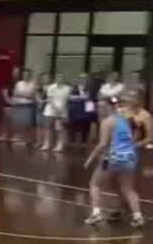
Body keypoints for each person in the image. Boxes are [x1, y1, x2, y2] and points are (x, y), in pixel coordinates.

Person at [84, 89, 150, 227]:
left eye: (102, 107)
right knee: (127, 188)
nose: (99, 109)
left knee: (95, 184)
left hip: (112, 157)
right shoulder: (127, 120)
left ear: (110, 107)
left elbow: (102, 144)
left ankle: (96, 213)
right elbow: (133, 135)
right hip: (129, 157)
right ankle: (138, 216)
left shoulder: (107, 122)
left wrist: (90, 158)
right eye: (98, 107)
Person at [4, 68, 38, 145]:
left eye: (27, 75)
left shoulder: (33, 84)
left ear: (30, 75)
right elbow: (15, 94)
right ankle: (19, 138)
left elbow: (31, 94)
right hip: (19, 106)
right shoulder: (19, 83)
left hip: (28, 106)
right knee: (19, 123)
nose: (25, 76)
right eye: (24, 75)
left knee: (27, 124)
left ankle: (27, 139)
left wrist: (23, 94)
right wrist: (24, 94)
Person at [40, 72, 69, 152]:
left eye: (61, 77)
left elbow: (66, 100)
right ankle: (47, 144)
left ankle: (59, 145)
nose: (60, 79)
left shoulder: (67, 88)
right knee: (48, 128)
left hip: (62, 110)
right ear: (56, 78)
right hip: (50, 110)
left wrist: (60, 109)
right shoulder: (51, 87)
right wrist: (55, 108)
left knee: (59, 129)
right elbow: (50, 99)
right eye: (58, 77)